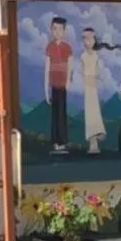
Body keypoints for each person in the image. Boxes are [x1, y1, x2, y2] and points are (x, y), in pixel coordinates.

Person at [45, 16, 74, 154]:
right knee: (54, 115)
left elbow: (70, 66)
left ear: (64, 31)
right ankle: (56, 142)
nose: (57, 32)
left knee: (62, 114)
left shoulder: (67, 48)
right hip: (53, 86)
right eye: (54, 28)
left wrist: (68, 82)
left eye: (60, 29)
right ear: (51, 30)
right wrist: (46, 90)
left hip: (62, 86)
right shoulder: (49, 47)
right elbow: (46, 68)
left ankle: (62, 142)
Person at [79, 27, 108, 154]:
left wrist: (96, 79)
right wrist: (87, 79)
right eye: (85, 38)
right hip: (88, 88)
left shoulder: (96, 56)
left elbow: (98, 71)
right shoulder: (83, 56)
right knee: (90, 114)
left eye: (90, 38)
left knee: (95, 113)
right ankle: (92, 143)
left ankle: (96, 139)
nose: (87, 41)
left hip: (94, 88)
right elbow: (82, 71)